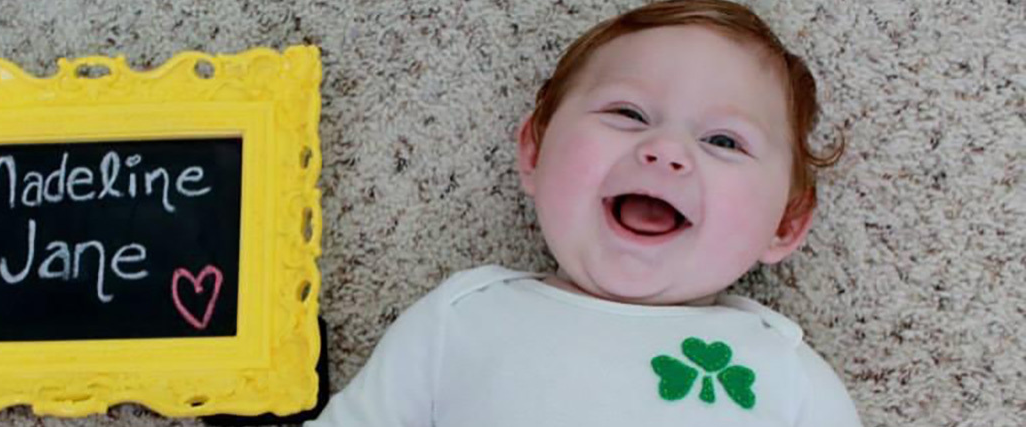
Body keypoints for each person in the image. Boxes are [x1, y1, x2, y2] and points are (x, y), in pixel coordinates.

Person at [307, 0, 860, 425]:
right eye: (627, 112)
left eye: (723, 140)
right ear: (535, 150)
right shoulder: (462, 318)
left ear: (786, 222)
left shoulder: (788, 377)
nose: (666, 149)